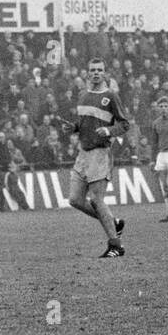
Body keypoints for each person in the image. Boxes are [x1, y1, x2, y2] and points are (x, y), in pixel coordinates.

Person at [55, 58, 129, 257]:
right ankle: (113, 223)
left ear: (105, 73)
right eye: (92, 70)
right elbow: (84, 122)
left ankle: (116, 245)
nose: (96, 73)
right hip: (83, 153)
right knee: (75, 200)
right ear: (87, 73)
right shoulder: (83, 95)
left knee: (97, 199)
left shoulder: (111, 96)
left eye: (99, 70)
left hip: (100, 153)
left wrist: (109, 130)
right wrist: (74, 127)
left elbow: (124, 124)